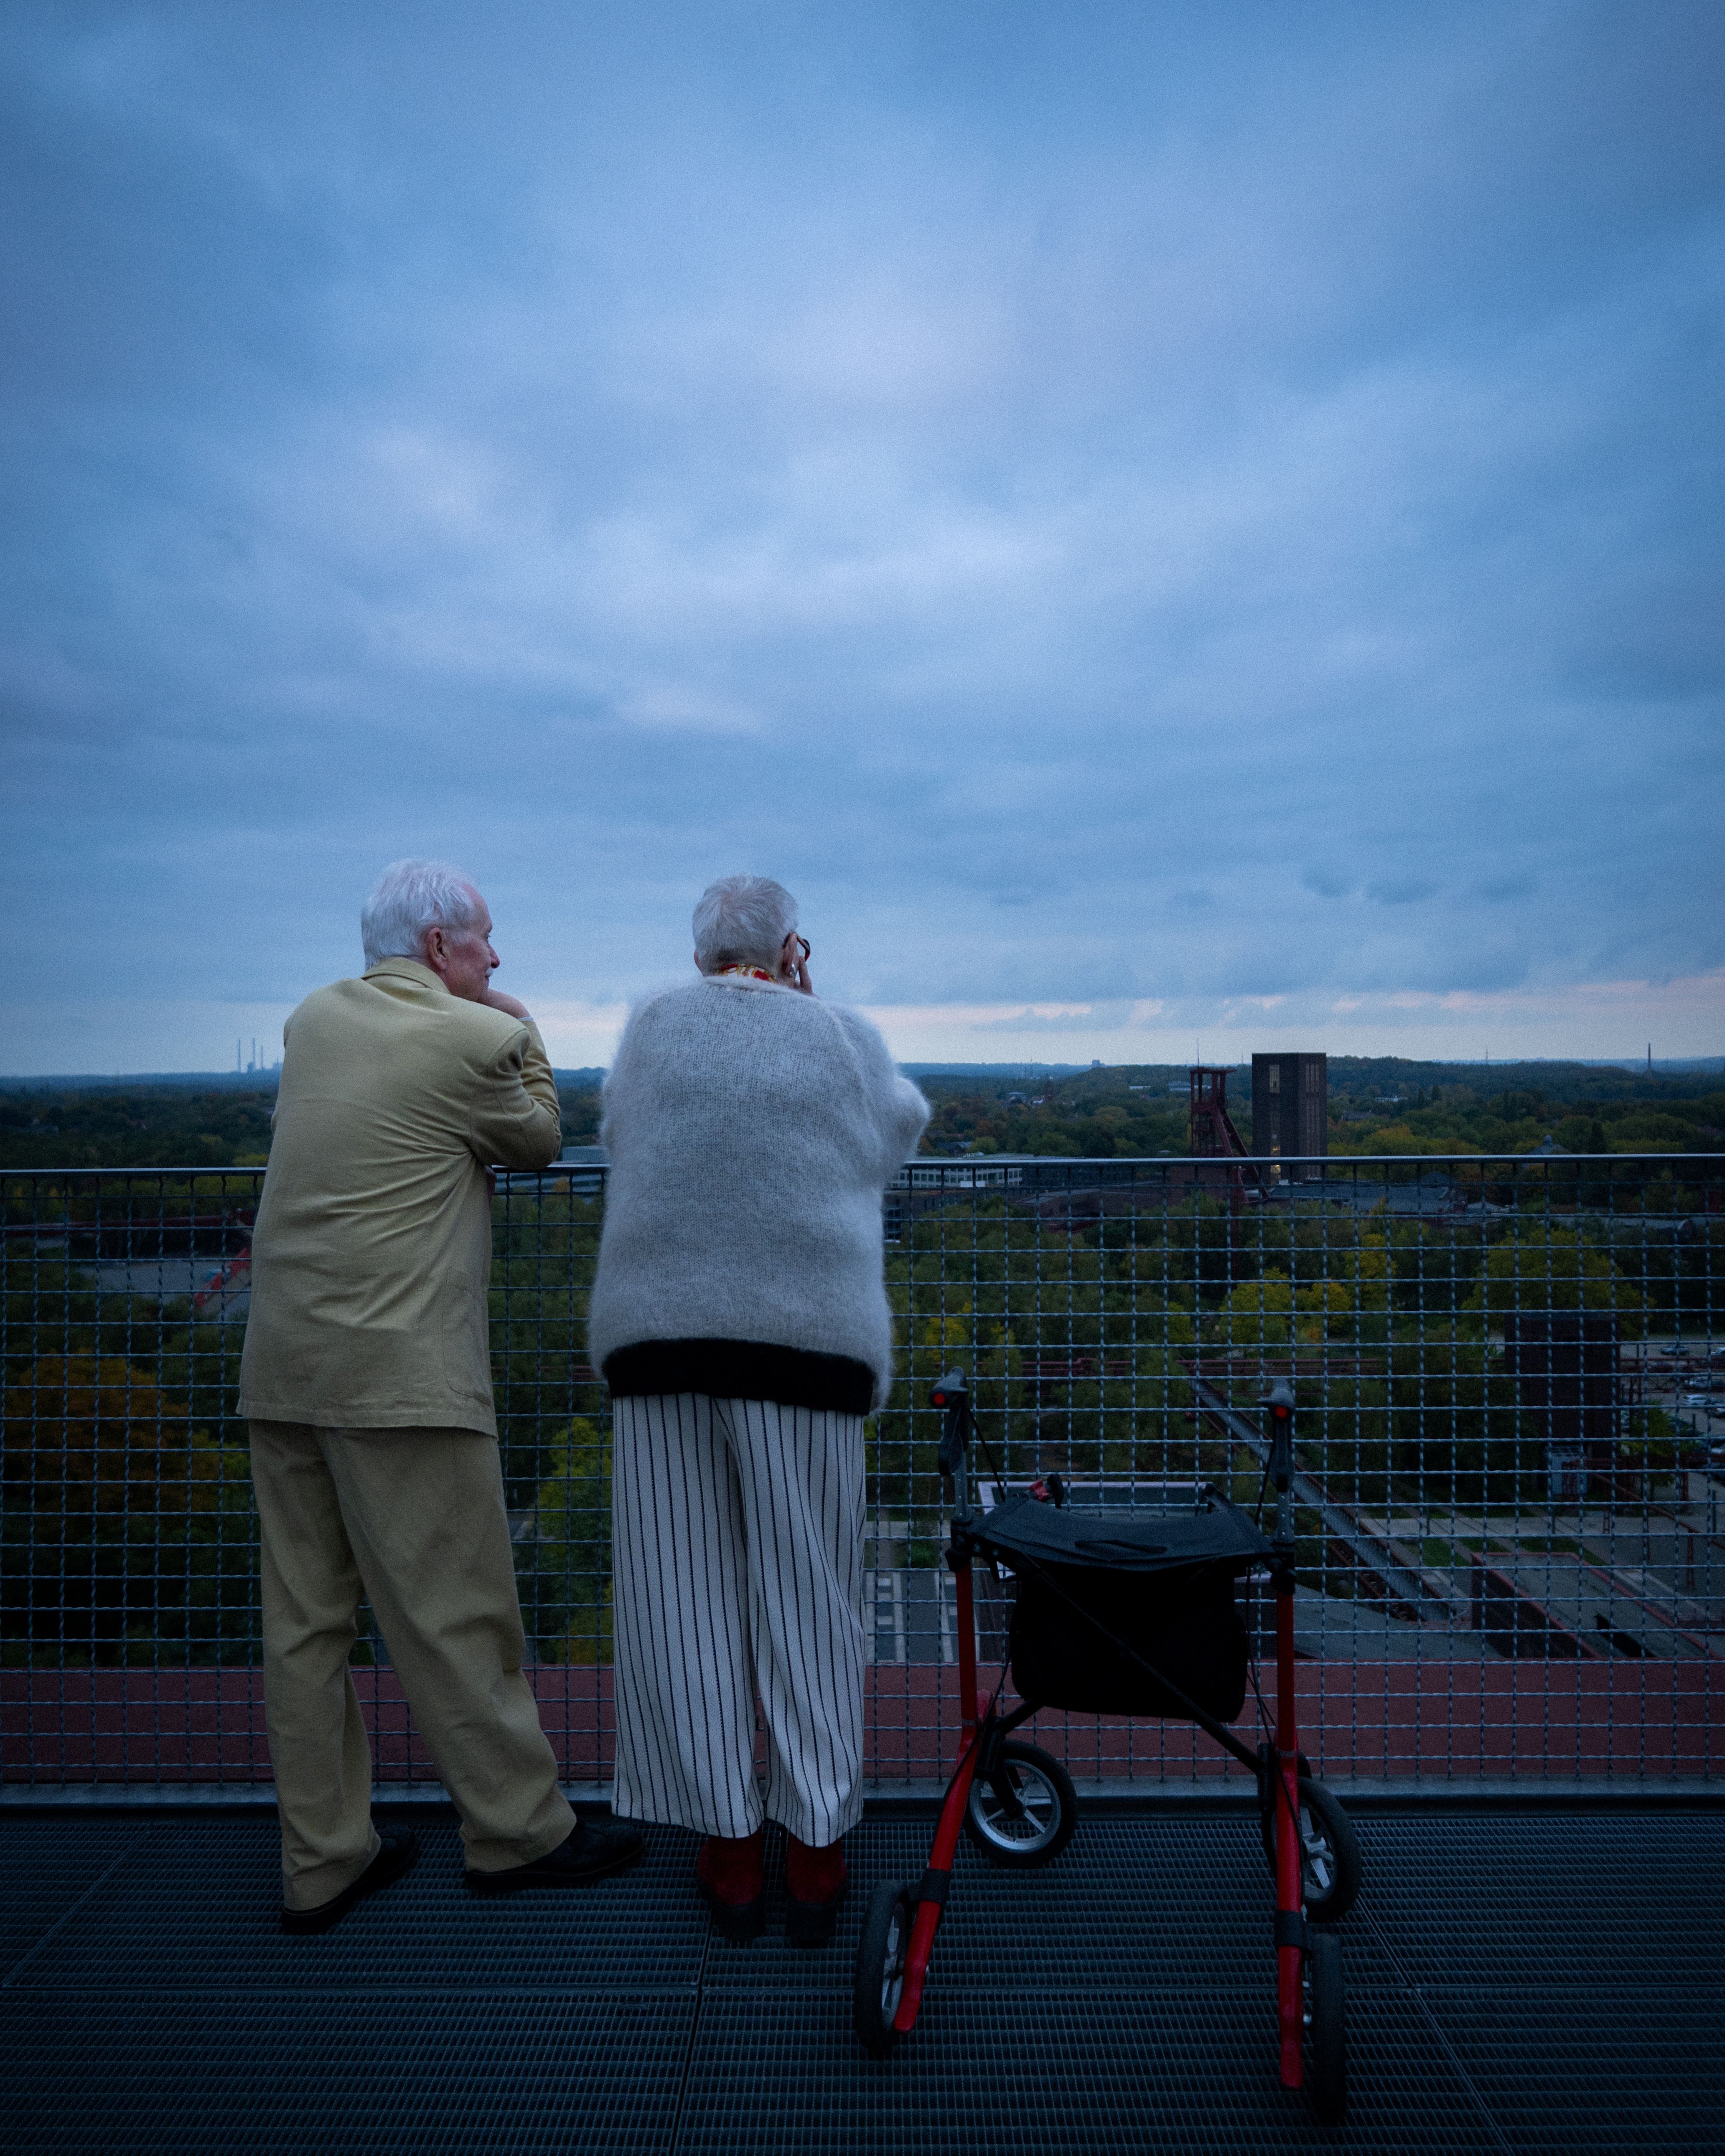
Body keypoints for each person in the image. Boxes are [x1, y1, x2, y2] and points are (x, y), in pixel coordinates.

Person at [239, 859, 642, 1932]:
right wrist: (523, 1025)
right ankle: (517, 1834)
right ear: (437, 949)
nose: (497, 959)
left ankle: (323, 1861)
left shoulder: (312, 1020)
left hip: (281, 1368)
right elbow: (543, 1141)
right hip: (401, 1378)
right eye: (485, 943)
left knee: (306, 1625)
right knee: (458, 1614)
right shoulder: (475, 1039)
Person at [588, 875, 929, 1944]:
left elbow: (616, 1136)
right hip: (806, 1352)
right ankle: (816, 1846)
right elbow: (895, 1135)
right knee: (810, 1593)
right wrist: (811, 998)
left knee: (680, 1597)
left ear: (699, 956)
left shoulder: (649, 1031)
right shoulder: (838, 1034)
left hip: (661, 1340)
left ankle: (728, 1845)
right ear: (790, 948)